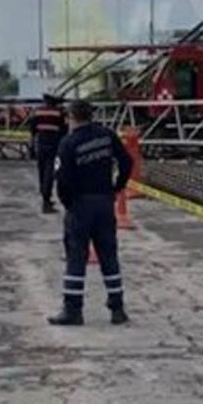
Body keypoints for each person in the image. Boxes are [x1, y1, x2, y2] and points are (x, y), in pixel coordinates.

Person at [48, 99, 133, 327]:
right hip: (104, 202)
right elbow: (126, 161)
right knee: (109, 255)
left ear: (73, 117)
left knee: (76, 257)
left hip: (80, 205)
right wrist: (117, 187)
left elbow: (62, 180)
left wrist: (69, 204)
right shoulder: (107, 135)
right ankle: (117, 308)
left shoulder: (68, 143)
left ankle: (73, 310)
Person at [30, 93, 68, 214]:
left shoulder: (37, 112)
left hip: (41, 144)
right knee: (50, 172)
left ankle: (44, 196)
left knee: (42, 171)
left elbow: (33, 129)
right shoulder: (59, 113)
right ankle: (46, 200)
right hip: (54, 145)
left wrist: (32, 146)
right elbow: (64, 130)